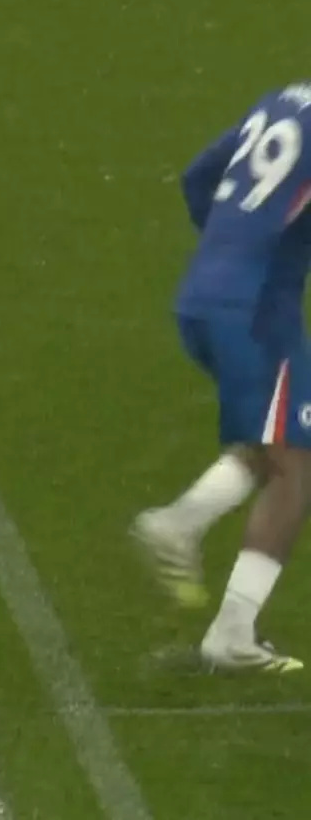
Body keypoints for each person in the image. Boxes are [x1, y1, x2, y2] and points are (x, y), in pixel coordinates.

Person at [132, 81, 311, 673]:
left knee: (275, 440)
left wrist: (230, 247)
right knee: (297, 464)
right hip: (259, 313)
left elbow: (196, 178)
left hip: (207, 297)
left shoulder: (285, 99)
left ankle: (183, 525)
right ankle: (229, 630)